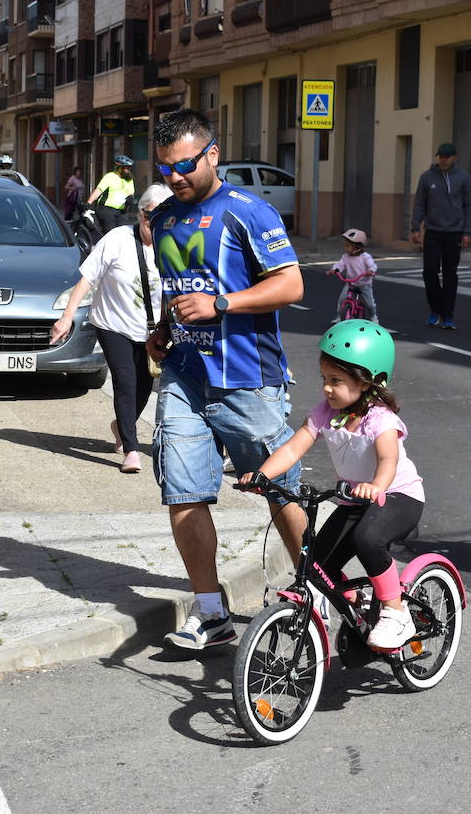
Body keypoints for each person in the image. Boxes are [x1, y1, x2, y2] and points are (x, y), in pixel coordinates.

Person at [144, 108, 306, 650]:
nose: (174, 176)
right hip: (184, 373)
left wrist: (221, 304)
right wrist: (162, 329)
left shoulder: (248, 213)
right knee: (183, 491)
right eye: (165, 167)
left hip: (247, 379)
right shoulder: (163, 217)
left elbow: (290, 286)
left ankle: (316, 594)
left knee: (281, 490)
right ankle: (211, 613)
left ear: (212, 154)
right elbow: (179, 286)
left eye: (185, 164)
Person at [241, 320, 425, 649]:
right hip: (355, 500)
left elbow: (388, 460)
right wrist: (263, 475)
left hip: (397, 496)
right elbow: (293, 447)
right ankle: (361, 604)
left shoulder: (379, 419)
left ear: (369, 382)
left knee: (367, 539)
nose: (327, 388)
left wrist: (377, 486)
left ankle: (396, 612)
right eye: (324, 379)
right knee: (314, 566)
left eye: (336, 381)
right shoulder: (327, 412)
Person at [51, 184, 169, 474]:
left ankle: (121, 425)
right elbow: (86, 280)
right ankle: (131, 449)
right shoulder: (117, 239)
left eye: (165, 216)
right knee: (126, 382)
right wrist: (66, 317)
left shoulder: (173, 244)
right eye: (152, 215)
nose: (156, 223)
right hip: (112, 324)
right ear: (141, 213)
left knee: (143, 386)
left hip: (150, 329)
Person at [410, 142, 471, 330]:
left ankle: (447, 315)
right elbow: (420, 203)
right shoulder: (427, 177)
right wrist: (415, 227)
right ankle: (435, 309)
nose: (443, 160)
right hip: (433, 231)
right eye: (441, 156)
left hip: (454, 232)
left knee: (449, 274)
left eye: (447, 156)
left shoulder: (463, 178)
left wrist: (468, 231)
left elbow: (469, 205)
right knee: (429, 271)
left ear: (454, 158)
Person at [329, 227, 377, 322]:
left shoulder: (365, 257)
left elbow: (372, 265)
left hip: (364, 284)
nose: (345, 248)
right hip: (351, 284)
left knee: (369, 304)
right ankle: (339, 316)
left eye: (348, 246)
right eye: (345, 246)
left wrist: (371, 271)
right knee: (342, 299)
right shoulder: (346, 257)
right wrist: (334, 269)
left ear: (357, 247)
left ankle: (373, 317)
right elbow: (340, 264)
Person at [88, 154, 135, 234]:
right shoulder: (109, 177)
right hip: (106, 210)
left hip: (121, 211)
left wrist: (130, 198)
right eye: (126, 168)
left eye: (129, 168)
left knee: (124, 232)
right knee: (111, 233)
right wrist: (89, 202)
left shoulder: (129, 179)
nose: (128, 170)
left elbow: (131, 193)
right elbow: (98, 190)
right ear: (119, 168)